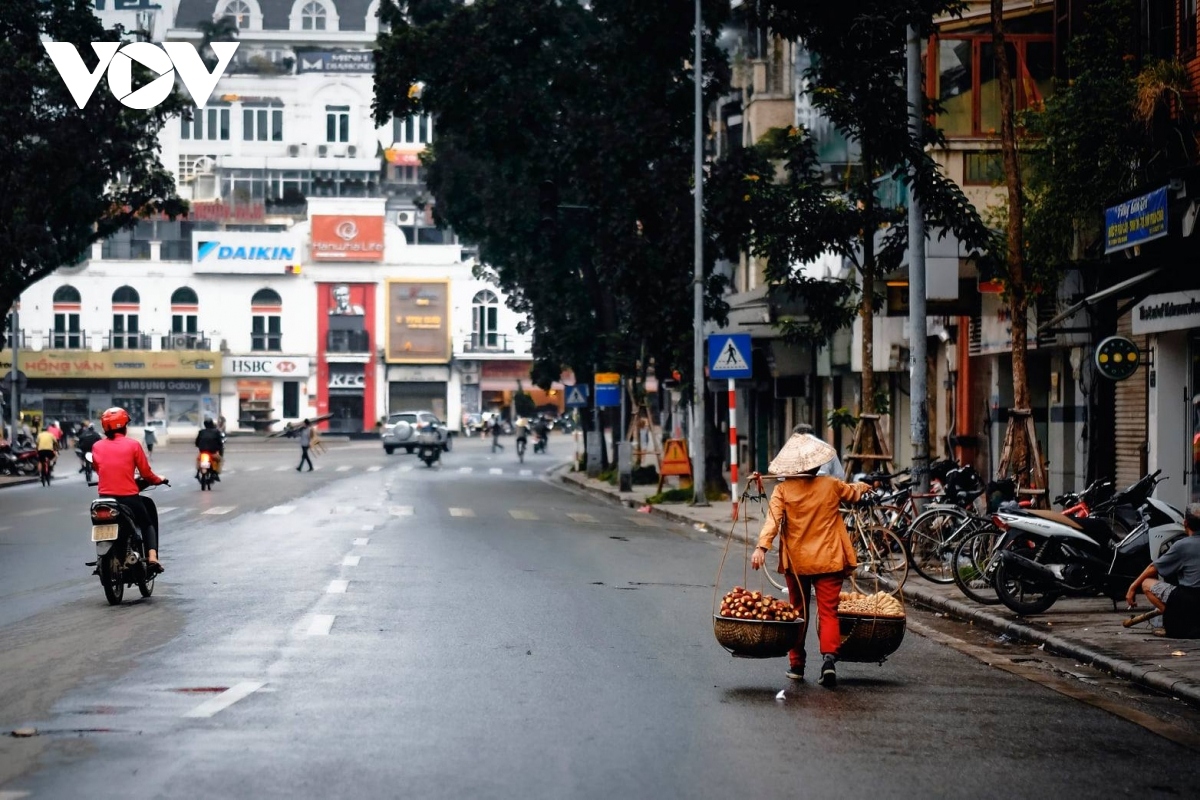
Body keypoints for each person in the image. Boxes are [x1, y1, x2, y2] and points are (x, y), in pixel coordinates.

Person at [751, 433, 872, 688]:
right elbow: (853, 494)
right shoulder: (830, 484)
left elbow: (772, 521)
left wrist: (762, 547)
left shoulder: (782, 490)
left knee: (798, 612)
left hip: (797, 563)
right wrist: (864, 487)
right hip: (829, 559)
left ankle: (796, 665)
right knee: (828, 612)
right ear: (817, 465)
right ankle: (828, 660)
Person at [91, 407, 168, 572]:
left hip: (104, 499)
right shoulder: (133, 445)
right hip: (128, 498)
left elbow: (99, 470)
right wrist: (159, 480)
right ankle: (152, 558)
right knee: (147, 523)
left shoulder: (97, 446)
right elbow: (146, 473)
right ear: (124, 426)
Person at [1128, 504, 1200, 618]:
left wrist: (1132, 587)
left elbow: (1153, 568)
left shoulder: (1182, 545)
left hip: (1190, 598)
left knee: (1146, 584)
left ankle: (1173, 619)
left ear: (1185, 523)